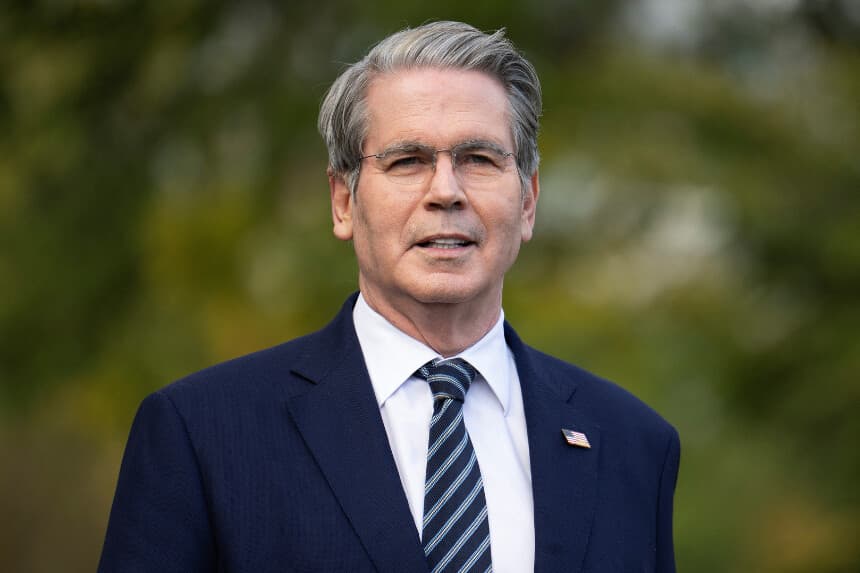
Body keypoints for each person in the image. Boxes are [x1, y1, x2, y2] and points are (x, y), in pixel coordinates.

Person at [98, 20, 680, 573]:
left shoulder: (631, 445)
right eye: (408, 161)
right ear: (343, 201)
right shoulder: (203, 433)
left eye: (478, 159)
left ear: (527, 200)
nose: (445, 191)